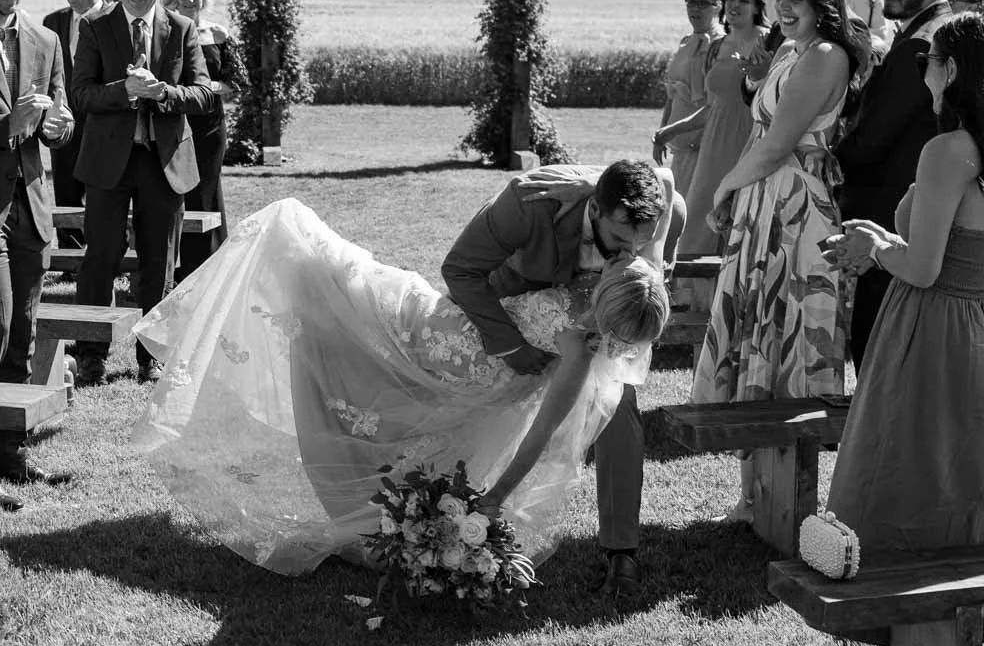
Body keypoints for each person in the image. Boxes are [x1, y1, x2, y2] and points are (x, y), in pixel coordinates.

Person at [131, 197, 670, 578]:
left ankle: (388, 520)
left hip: (458, 366)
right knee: (316, 276)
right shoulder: (592, 319)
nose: (623, 255)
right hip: (436, 336)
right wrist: (493, 502)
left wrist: (492, 502)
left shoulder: (596, 313)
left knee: (373, 402)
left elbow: (542, 431)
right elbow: (541, 433)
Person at [441, 159, 683, 599]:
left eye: (639, 244)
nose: (628, 254)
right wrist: (510, 344)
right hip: (514, 313)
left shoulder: (657, 217)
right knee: (472, 409)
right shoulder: (528, 203)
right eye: (620, 241)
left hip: (598, 314)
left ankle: (622, 551)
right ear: (596, 208)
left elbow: (667, 183)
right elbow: (459, 269)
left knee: (619, 404)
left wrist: (652, 265)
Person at [692, 0, 863, 521]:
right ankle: (751, 497)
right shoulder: (789, 51)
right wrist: (737, 195)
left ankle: (790, 505)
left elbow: (779, 143)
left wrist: (722, 188)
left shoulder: (827, 55)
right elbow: (758, 135)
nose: (784, 7)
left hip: (798, 209)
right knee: (755, 331)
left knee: (790, 333)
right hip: (762, 204)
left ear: (823, 2)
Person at [823, 11, 984, 556]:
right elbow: (964, 250)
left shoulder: (947, 152)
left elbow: (924, 270)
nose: (923, 71)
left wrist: (873, 249)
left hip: (933, 330)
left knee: (914, 469)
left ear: (952, 70)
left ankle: (906, 585)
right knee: (969, 469)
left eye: (928, 60)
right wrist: (881, 238)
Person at [70, 0, 214, 386]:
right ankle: (91, 354)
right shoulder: (95, 26)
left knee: (160, 262)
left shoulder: (182, 28)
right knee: (100, 258)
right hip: (107, 162)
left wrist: (162, 93)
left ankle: (152, 356)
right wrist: (126, 90)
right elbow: (81, 94)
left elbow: (204, 94)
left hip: (163, 162)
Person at [835, 0, 952, 369]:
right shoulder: (931, 31)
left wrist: (824, 161)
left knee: (878, 349)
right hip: (910, 212)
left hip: (892, 215)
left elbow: (871, 140)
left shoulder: (922, 45)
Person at [0, 0, 75, 499]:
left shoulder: (46, 39)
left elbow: (60, 118)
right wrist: (11, 125)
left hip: (31, 202)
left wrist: (56, 126)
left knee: (23, 332)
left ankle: (11, 452)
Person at [655, 0, 769, 255]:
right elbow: (712, 107)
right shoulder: (718, 46)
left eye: (744, 0)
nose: (735, 5)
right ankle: (695, 283)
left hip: (748, 141)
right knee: (697, 217)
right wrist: (671, 130)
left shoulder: (769, 41)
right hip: (714, 145)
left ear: (757, 7)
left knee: (738, 219)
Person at [161, 0, 247, 279]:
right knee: (176, 190)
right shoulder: (166, 32)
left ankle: (209, 266)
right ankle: (174, 265)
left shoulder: (219, 34)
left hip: (210, 124)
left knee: (207, 190)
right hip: (177, 121)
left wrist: (210, 87)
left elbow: (237, 81)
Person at [42, 0, 106, 253]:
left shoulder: (116, 18)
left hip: (104, 122)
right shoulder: (52, 22)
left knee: (104, 193)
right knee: (66, 190)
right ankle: (70, 258)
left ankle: (107, 256)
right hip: (65, 121)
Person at [652, 0, 723, 201]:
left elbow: (715, 103)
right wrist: (662, 133)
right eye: (690, 2)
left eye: (702, 3)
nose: (694, 9)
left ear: (717, 7)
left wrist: (698, 138)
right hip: (680, 148)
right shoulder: (686, 41)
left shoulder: (721, 45)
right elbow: (672, 96)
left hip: (701, 148)